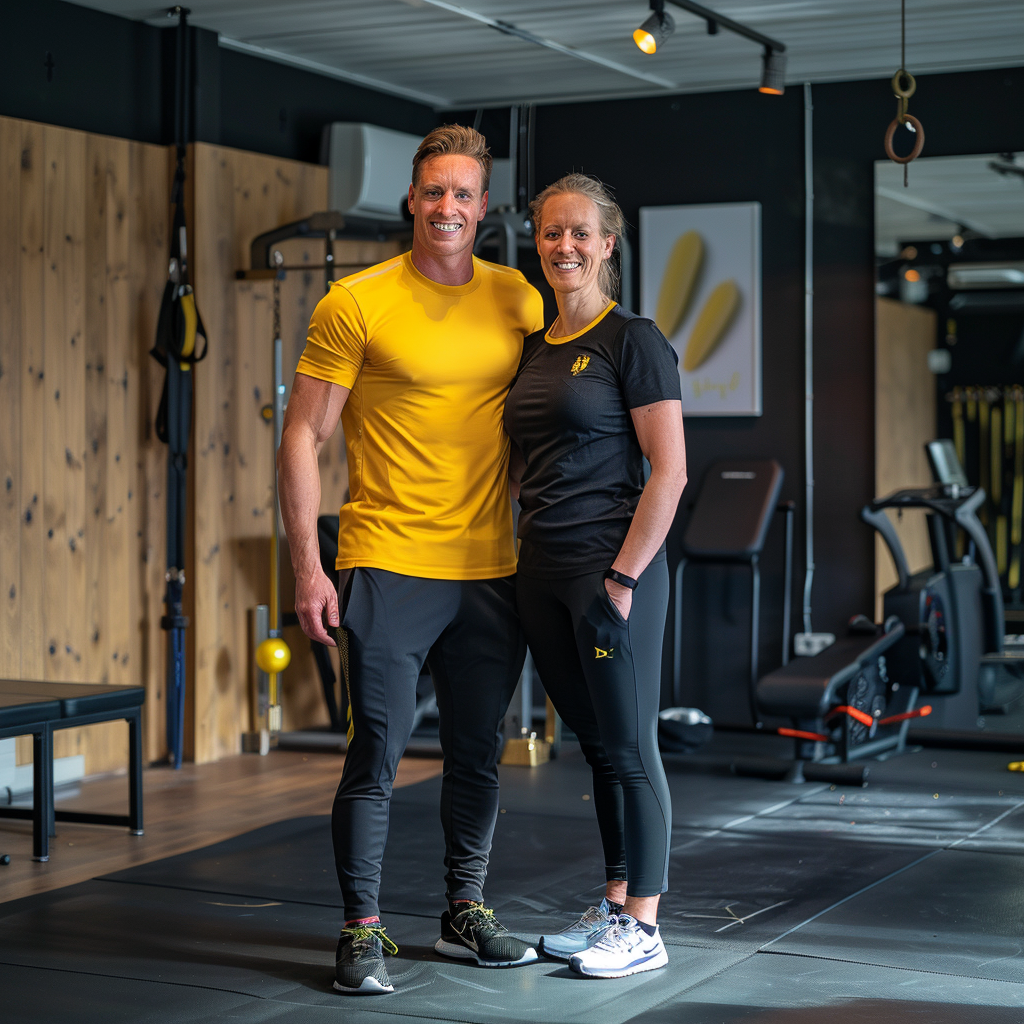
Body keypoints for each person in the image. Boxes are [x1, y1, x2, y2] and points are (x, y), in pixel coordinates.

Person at [278, 125, 545, 995]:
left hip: (491, 567)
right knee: (377, 753)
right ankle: (361, 930)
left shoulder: (521, 300)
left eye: (463, 193)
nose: (447, 207)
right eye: (434, 191)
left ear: (483, 203)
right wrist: (308, 569)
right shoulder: (356, 300)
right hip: (387, 559)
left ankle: (465, 911)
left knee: (479, 749)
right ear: (411, 199)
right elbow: (302, 436)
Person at [504, 174, 687, 979]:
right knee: (597, 748)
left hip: (610, 576)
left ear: (607, 244)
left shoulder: (632, 340)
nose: (564, 247)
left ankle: (645, 926)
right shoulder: (534, 348)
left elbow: (670, 472)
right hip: (542, 574)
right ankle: (615, 903)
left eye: (580, 233)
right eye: (551, 233)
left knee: (631, 746)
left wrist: (622, 579)